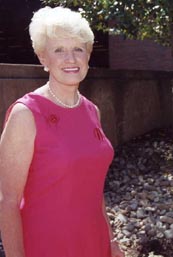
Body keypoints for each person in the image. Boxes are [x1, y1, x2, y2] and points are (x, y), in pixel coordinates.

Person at [0, 6, 124, 257]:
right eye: (59, 50)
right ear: (43, 58)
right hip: (47, 245)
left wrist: (111, 243)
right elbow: (8, 201)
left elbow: (94, 188)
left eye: (78, 49)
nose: (71, 59)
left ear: (88, 55)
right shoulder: (26, 114)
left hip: (94, 241)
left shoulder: (92, 110)